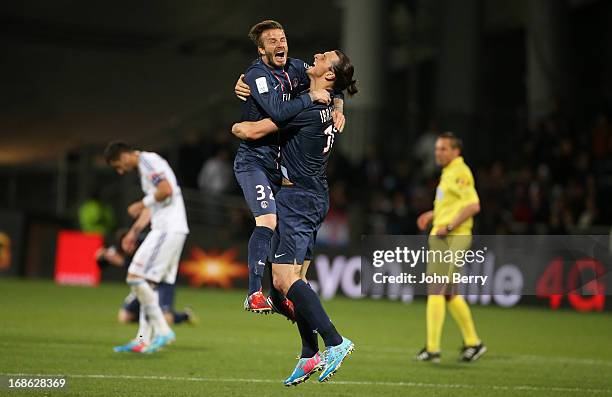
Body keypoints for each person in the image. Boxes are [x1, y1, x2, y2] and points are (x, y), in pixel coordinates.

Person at [232, 49, 357, 385]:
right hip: (313, 195)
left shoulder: (310, 109)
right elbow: (337, 90)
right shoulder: (326, 101)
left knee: (284, 281)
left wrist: (236, 126)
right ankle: (308, 352)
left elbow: (254, 132)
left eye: (324, 57)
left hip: (298, 198)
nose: (315, 55)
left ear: (328, 75)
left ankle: (335, 342)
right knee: (293, 281)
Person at [233, 20, 345, 314]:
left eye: (282, 38)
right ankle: (253, 293)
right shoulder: (258, 75)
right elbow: (280, 112)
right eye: (271, 41)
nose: (280, 44)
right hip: (254, 160)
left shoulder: (296, 68)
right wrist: (310, 98)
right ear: (261, 50)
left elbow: (334, 79)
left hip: (278, 167)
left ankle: (281, 300)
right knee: (267, 221)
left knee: (286, 258)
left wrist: (338, 104)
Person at [104, 142, 189, 354]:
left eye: (118, 165)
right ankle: (143, 339)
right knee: (147, 286)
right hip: (169, 228)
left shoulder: (148, 161)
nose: (120, 171)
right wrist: (134, 231)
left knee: (134, 277)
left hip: (167, 229)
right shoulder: (145, 167)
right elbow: (155, 203)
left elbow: (165, 190)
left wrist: (141, 203)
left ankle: (163, 331)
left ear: (123, 156)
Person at [415, 132, 486, 363]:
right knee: (448, 293)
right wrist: (433, 215)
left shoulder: (460, 172)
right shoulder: (449, 173)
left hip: (452, 237)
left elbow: (473, 205)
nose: (438, 152)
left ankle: (432, 349)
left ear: (456, 151)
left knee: (436, 289)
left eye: (443, 149)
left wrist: (450, 225)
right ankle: (474, 343)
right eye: (437, 148)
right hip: (446, 234)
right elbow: (454, 206)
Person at [95, 229, 196, 326]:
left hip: (161, 281)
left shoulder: (147, 243)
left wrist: (122, 262)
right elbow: (102, 262)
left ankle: (185, 316)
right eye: (125, 243)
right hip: (143, 284)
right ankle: (149, 319)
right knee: (124, 318)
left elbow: (143, 269)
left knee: (167, 319)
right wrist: (101, 257)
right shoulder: (118, 248)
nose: (128, 246)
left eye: (131, 243)